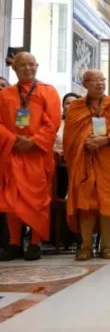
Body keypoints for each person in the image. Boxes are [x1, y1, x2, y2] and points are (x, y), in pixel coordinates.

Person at [63, 69, 110, 260]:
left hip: (108, 158)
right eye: (94, 80)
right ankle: (85, 246)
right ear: (84, 84)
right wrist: (85, 141)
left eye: (102, 79)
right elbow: (70, 137)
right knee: (86, 203)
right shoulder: (75, 107)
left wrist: (105, 139)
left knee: (107, 201)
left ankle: (106, 246)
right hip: (84, 159)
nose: (100, 83)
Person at [0, 52, 61, 261]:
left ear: (37, 66)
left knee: (38, 200)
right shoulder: (5, 94)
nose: (27, 68)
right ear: (14, 69)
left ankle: (35, 243)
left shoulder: (48, 92)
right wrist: (13, 139)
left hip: (37, 155)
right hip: (13, 152)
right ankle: (14, 243)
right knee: (12, 200)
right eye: (22, 65)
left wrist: (33, 141)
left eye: (31, 64)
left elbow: (52, 122)